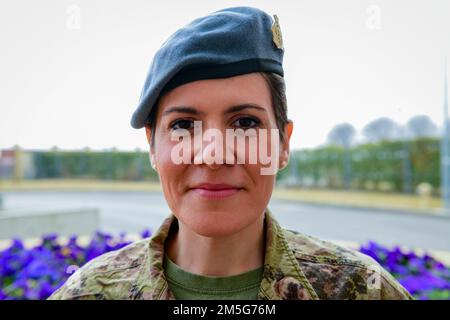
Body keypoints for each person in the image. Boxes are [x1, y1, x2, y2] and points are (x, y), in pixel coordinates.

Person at [48, 6, 413, 300]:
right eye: (183, 125)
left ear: (283, 145)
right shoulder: (89, 292)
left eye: (245, 123)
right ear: (152, 147)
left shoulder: (361, 289)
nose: (213, 154)